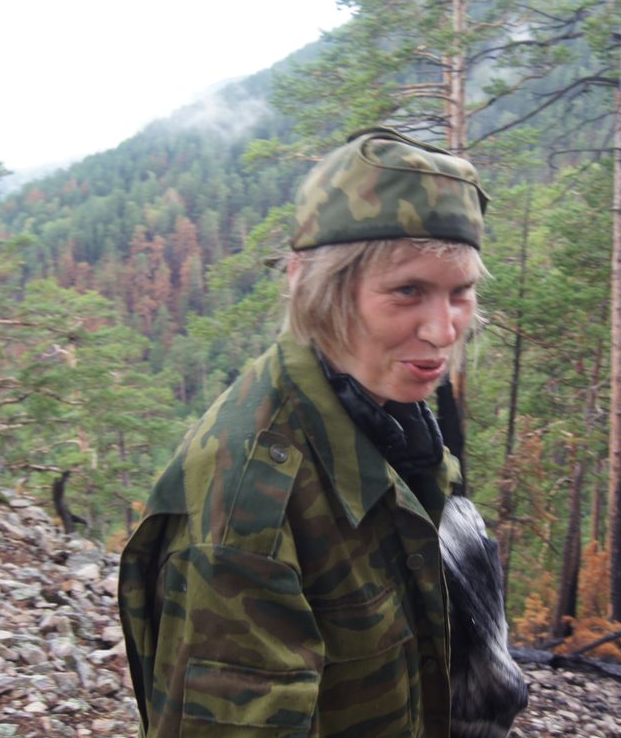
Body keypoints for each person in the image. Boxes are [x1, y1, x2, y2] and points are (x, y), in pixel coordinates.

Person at [118, 126, 490, 737]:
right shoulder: (250, 502)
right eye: (407, 291)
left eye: (461, 293)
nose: (444, 330)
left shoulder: (390, 413)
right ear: (318, 288)